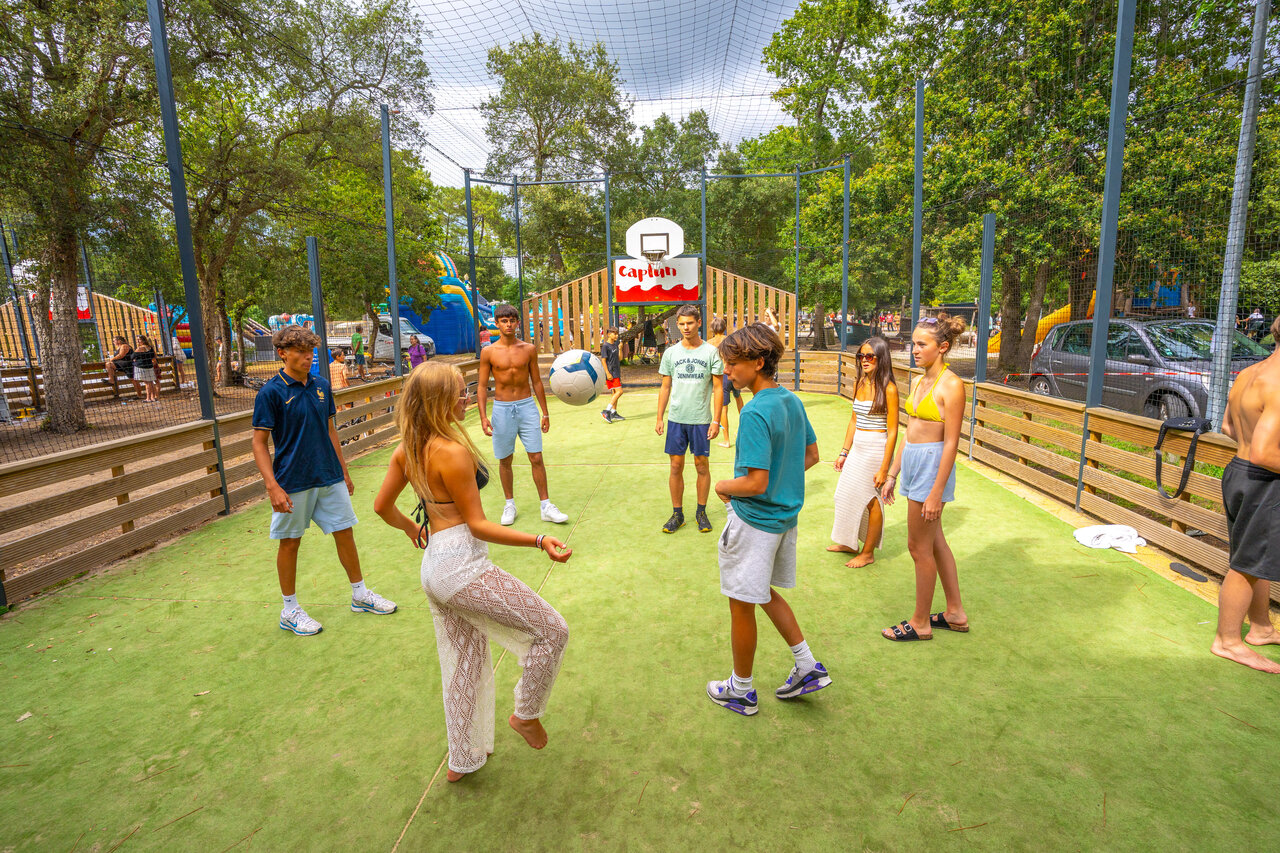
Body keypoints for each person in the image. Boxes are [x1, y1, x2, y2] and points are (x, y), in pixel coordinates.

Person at [372, 361, 571, 780]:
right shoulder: (452, 451)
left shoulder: (407, 449)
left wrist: (413, 529)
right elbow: (478, 525)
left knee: (463, 663)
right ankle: (527, 713)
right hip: (462, 567)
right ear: (439, 401)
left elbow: (381, 507)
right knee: (553, 630)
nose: (468, 398)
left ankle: (462, 761)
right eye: (460, 393)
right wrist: (539, 540)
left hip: (434, 570)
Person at [706, 323, 830, 716]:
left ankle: (741, 690)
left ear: (758, 362)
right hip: (784, 520)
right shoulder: (790, 401)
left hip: (753, 521)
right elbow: (810, 456)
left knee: (742, 602)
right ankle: (808, 664)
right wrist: (780, 484)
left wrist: (724, 484)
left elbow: (756, 483)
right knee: (762, 593)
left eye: (733, 365)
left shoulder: (756, 411)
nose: (727, 372)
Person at [251, 325, 397, 636]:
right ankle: (289, 610)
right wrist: (272, 486)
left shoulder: (320, 386)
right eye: (301, 352)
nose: (308, 357)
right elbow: (258, 443)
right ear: (282, 353)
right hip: (292, 480)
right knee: (290, 544)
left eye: (311, 352)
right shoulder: (271, 393)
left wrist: (343, 471)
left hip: (328, 475)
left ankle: (360, 595)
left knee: (345, 533)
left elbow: (331, 431)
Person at [879, 314, 969, 641]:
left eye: (922, 344)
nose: (914, 349)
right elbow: (910, 431)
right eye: (912, 343)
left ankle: (920, 623)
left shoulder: (952, 385)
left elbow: (951, 443)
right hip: (914, 464)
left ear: (942, 347)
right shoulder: (919, 380)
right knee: (936, 541)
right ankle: (955, 612)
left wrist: (936, 492)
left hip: (932, 468)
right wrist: (892, 473)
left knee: (918, 547)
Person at [1213, 315, 1280, 673]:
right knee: (1245, 564)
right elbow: (1266, 454)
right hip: (1263, 479)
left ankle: (1261, 627)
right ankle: (1228, 641)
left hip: (1238, 473)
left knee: (1255, 556)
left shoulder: (1250, 373)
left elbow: (1227, 426)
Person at [478, 304, 569, 526]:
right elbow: (481, 386)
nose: (508, 324)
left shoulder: (528, 349)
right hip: (502, 408)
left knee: (536, 457)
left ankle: (546, 506)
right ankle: (509, 504)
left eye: (512, 320)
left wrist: (545, 413)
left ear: (518, 323)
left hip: (527, 406)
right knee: (505, 459)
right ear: (497, 324)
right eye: (503, 321)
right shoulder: (488, 351)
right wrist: (483, 416)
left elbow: (537, 381)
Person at [830, 336, 899, 568]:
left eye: (869, 356)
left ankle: (868, 553)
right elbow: (853, 421)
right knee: (844, 495)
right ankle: (850, 543)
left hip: (875, 449)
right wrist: (844, 451)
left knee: (871, 500)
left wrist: (884, 469)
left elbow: (892, 432)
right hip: (858, 447)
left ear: (881, 358)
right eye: (861, 356)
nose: (864, 360)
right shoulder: (860, 383)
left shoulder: (889, 389)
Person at [655, 304, 724, 534]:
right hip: (676, 419)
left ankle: (701, 512)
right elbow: (665, 387)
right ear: (677, 324)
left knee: (701, 465)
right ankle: (678, 514)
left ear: (699, 323)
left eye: (690, 323)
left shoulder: (710, 352)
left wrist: (716, 420)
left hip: (701, 420)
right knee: (675, 466)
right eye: (682, 324)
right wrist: (659, 417)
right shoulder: (671, 353)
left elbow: (718, 387)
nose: (686, 327)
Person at [707, 316, 741, 448]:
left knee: (723, 409)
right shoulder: (731, 340)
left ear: (712, 329)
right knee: (739, 399)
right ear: (724, 327)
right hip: (733, 373)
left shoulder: (709, 343)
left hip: (722, 377)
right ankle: (743, 428)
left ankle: (726, 440)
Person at [600, 327, 626, 423]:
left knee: (615, 393)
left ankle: (613, 412)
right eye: (614, 334)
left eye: (617, 334)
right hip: (611, 373)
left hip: (616, 371)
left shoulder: (615, 345)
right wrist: (607, 373)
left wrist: (620, 348)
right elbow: (603, 360)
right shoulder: (605, 346)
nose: (616, 335)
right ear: (609, 334)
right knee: (620, 392)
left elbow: (620, 358)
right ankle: (606, 411)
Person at [132, 334, 159, 402]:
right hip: (149, 366)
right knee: (151, 382)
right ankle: (153, 397)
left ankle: (148, 398)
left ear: (143, 340)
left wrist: (135, 359)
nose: (138, 341)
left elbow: (132, 356)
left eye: (139, 340)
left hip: (142, 367)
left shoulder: (140, 348)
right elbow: (154, 356)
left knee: (147, 383)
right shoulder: (150, 347)